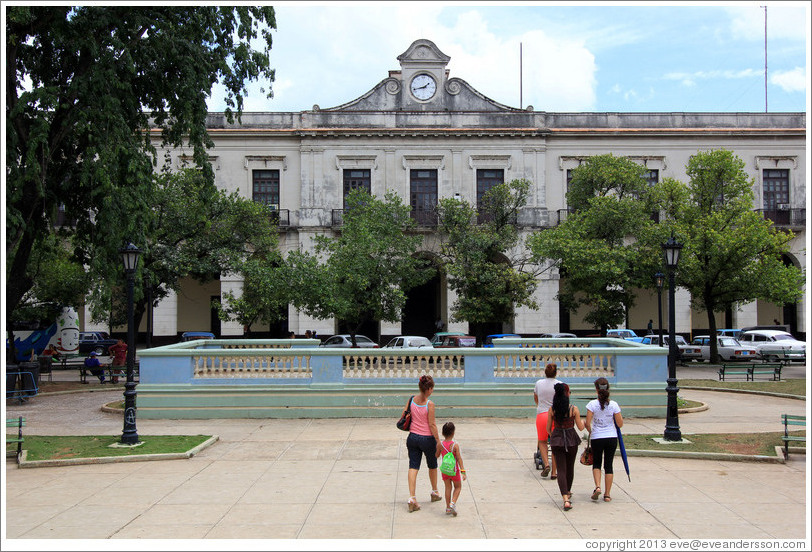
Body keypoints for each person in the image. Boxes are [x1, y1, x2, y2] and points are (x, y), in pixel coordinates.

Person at [405, 374, 442, 512]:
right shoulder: (429, 404)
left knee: (413, 466)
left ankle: (412, 497)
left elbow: (405, 414)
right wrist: (438, 441)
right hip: (427, 439)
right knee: (432, 465)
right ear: (429, 389)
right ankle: (435, 492)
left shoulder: (411, 400)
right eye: (432, 389)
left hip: (413, 437)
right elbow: (432, 424)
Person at [546, 382, 584, 511]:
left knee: (561, 469)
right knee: (570, 467)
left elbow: (548, 429)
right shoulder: (574, 409)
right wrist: (584, 422)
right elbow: (580, 427)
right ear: (567, 394)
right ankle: (567, 491)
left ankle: (565, 498)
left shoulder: (552, 410)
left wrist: (555, 435)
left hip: (557, 439)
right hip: (571, 439)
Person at [585, 377, 624, 503]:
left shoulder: (592, 404)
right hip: (611, 437)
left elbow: (587, 422)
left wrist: (591, 431)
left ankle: (597, 486)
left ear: (596, 389)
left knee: (597, 463)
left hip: (597, 437)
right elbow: (620, 423)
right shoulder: (613, 405)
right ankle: (607, 494)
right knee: (609, 465)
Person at [533, 363, 561, 478]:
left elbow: (536, 397)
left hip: (542, 414)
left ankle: (546, 464)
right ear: (556, 373)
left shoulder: (539, 383)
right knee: (554, 444)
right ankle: (554, 472)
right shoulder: (560, 384)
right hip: (555, 416)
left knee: (542, 441)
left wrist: (541, 405)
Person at [436, 421, 466, 516]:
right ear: (453, 433)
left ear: (442, 433)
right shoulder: (455, 445)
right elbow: (459, 459)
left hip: (445, 471)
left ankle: (448, 508)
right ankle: (453, 502)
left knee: (448, 487)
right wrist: (463, 471)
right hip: (454, 471)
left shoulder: (440, 444)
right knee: (458, 487)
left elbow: (436, 455)